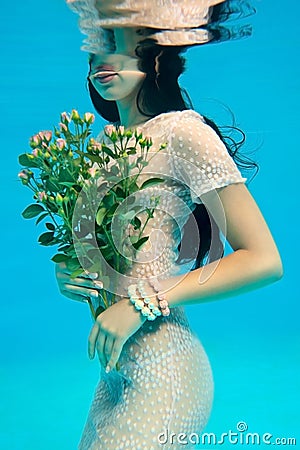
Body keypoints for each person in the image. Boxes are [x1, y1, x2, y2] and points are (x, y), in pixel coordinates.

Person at [56, 2, 283, 449]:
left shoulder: (184, 132)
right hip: (115, 372)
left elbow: (265, 260)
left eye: (120, 43)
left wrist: (140, 304)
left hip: (166, 370)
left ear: (155, 55)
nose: (104, 57)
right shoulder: (99, 144)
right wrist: (71, 276)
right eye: (98, 45)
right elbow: (111, 258)